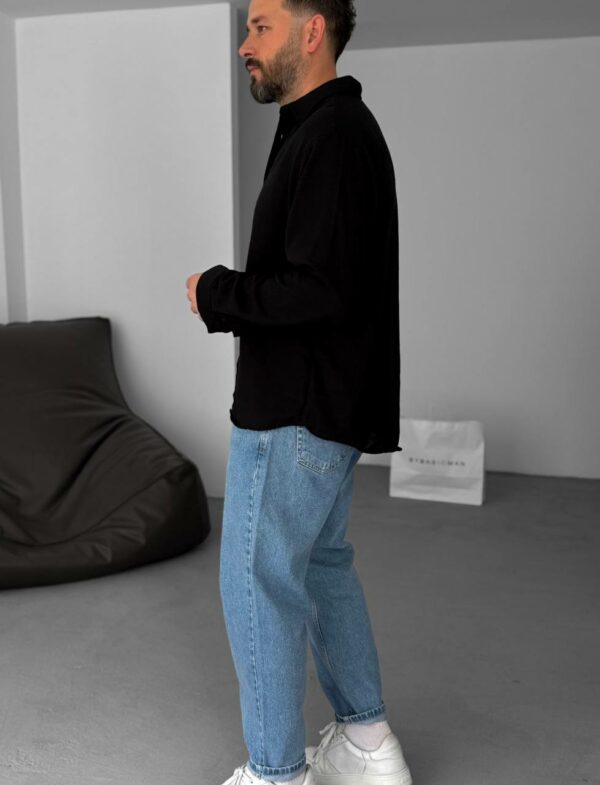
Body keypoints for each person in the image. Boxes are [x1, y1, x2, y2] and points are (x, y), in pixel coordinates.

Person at [185, 1, 411, 783]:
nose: (244, 44)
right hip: (326, 404)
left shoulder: (331, 136)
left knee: (257, 579)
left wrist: (217, 292)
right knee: (319, 565)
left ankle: (277, 772)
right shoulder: (327, 130)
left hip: (295, 409)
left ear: (312, 32)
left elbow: (320, 290)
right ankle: (368, 744)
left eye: (261, 26)